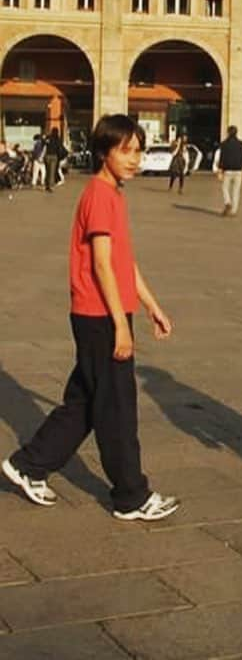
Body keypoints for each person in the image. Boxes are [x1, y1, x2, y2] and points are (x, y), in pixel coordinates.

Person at [2, 114, 179, 521]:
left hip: (104, 312)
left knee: (84, 402)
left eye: (138, 151)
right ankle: (131, 496)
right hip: (99, 314)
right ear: (104, 152)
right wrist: (120, 325)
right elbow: (101, 264)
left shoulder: (114, 194)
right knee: (117, 407)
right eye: (126, 151)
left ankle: (28, 465)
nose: (134, 159)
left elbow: (123, 261)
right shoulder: (99, 195)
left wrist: (152, 306)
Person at [214, 125, 242, 217]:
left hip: (228, 170)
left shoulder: (224, 144)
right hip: (238, 170)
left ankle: (227, 202)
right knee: (236, 191)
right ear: (236, 132)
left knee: (225, 188)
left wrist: (220, 170)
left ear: (228, 133)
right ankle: (234, 211)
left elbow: (222, 158)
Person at [44, 127, 67, 193]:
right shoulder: (58, 139)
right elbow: (60, 147)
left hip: (47, 156)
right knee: (52, 172)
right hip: (54, 156)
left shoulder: (48, 138)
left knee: (47, 171)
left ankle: (47, 185)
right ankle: (51, 186)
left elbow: (44, 143)